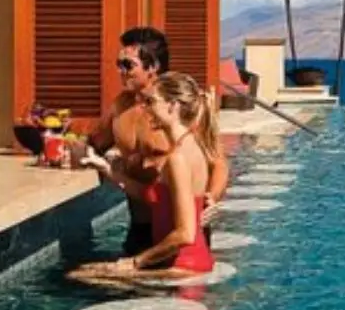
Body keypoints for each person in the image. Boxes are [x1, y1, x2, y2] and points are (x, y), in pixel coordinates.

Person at [81, 27, 228, 257]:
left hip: (179, 230)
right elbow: (92, 145)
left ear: (153, 67)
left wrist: (212, 196)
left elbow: (217, 162)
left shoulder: (180, 111)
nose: (121, 72)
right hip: (139, 225)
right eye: (118, 65)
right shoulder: (120, 107)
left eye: (128, 65)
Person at [69, 72, 217, 284]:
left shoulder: (178, 158)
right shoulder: (187, 145)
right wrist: (106, 169)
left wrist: (136, 263)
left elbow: (185, 234)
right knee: (85, 270)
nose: (145, 109)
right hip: (183, 262)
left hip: (185, 267)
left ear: (172, 106)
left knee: (77, 276)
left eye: (151, 102)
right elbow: (151, 197)